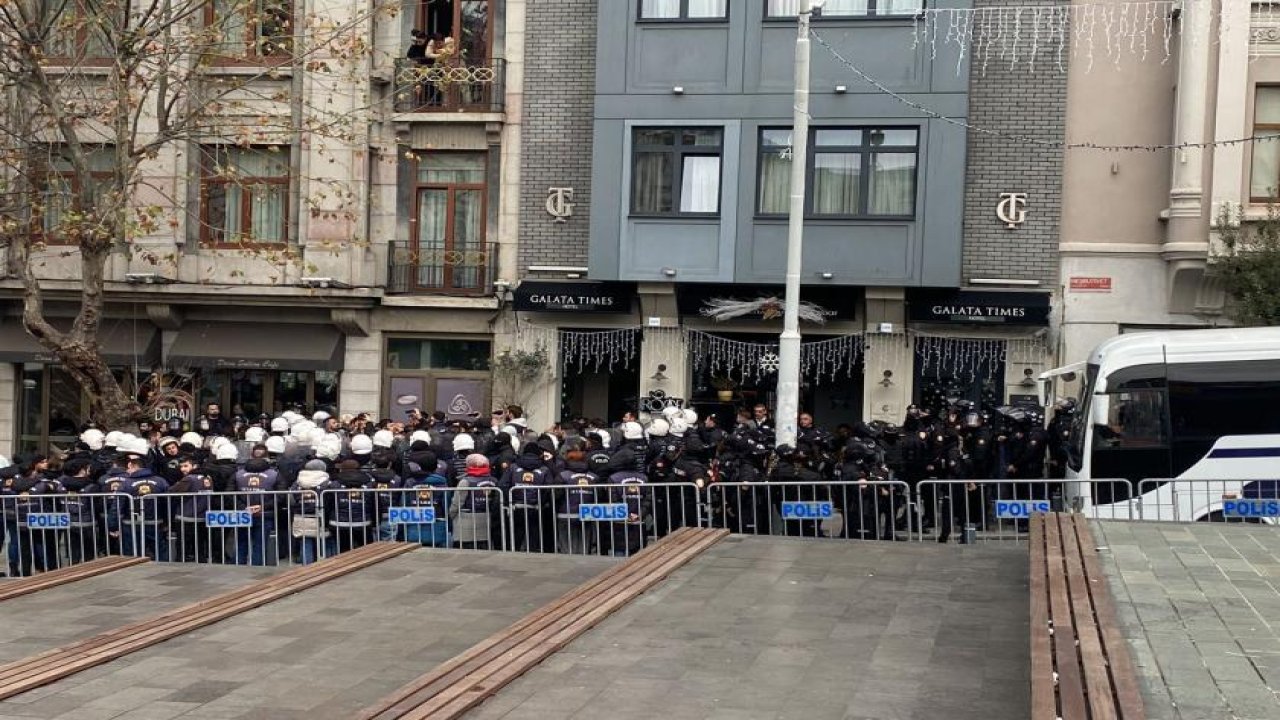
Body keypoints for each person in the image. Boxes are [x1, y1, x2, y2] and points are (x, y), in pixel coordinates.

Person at [116, 437, 170, 561]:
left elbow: (117, 506)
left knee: (132, 555)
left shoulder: (125, 483)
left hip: (131, 524)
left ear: (130, 464)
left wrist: (113, 525)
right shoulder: (160, 481)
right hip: (156, 523)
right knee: (160, 554)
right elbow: (167, 504)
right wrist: (167, 522)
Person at [234, 457, 279, 565]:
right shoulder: (274, 475)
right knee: (260, 544)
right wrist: (263, 506)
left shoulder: (238, 474)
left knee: (241, 543)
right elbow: (280, 495)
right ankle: (257, 568)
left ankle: (237, 567)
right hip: (265, 514)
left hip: (243, 514)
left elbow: (229, 493)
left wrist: (242, 507)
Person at [169, 456, 215, 562]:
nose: (183, 469)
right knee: (199, 544)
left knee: (183, 545)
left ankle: (182, 563)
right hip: (202, 517)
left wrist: (176, 484)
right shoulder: (208, 478)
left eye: (186, 466)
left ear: (194, 466)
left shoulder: (189, 479)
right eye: (181, 466)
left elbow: (172, 491)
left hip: (186, 516)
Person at [450, 453, 500, 549]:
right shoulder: (494, 481)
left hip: (466, 525)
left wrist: (451, 514)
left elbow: (457, 503)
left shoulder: (465, 482)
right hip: (486, 522)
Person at [291, 460, 333, 564]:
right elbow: (330, 499)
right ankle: (326, 565)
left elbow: (291, 499)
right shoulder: (326, 481)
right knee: (325, 540)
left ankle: (306, 565)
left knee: (305, 540)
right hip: (321, 515)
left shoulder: (297, 481)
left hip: (301, 515)